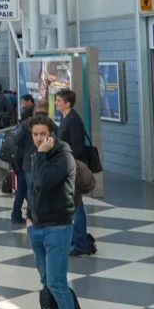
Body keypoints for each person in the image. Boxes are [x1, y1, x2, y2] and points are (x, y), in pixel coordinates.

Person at [25, 113, 80, 309]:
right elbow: (32, 189)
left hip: (57, 226)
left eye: (43, 135)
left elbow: (44, 182)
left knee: (57, 282)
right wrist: (28, 216)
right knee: (47, 281)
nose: (38, 139)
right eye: (35, 135)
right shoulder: (39, 155)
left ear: (51, 134)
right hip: (37, 226)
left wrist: (40, 155)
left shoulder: (63, 156)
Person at [54, 90, 90, 255]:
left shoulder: (73, 120)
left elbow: (77, 146)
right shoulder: (66, 119)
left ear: (68, 103)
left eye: (59, 101)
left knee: (77, 205)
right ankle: (76, 239)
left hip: (72, 168)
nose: (56, 103)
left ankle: (80, 243)